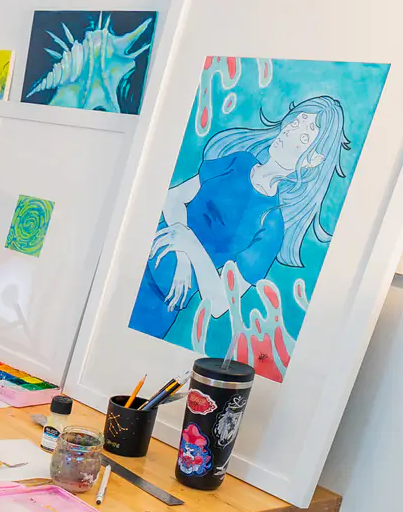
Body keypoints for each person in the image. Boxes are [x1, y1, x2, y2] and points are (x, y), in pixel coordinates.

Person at [131, 94, 350, 353]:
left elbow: (221, 302)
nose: (289, 133)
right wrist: (183, 256)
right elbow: (173, 198)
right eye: (295, 123)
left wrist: (189, 244)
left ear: (314, 160)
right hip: (132, 265)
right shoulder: (239, 162)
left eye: (304, 137)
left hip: (160, 305)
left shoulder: (272, 225)